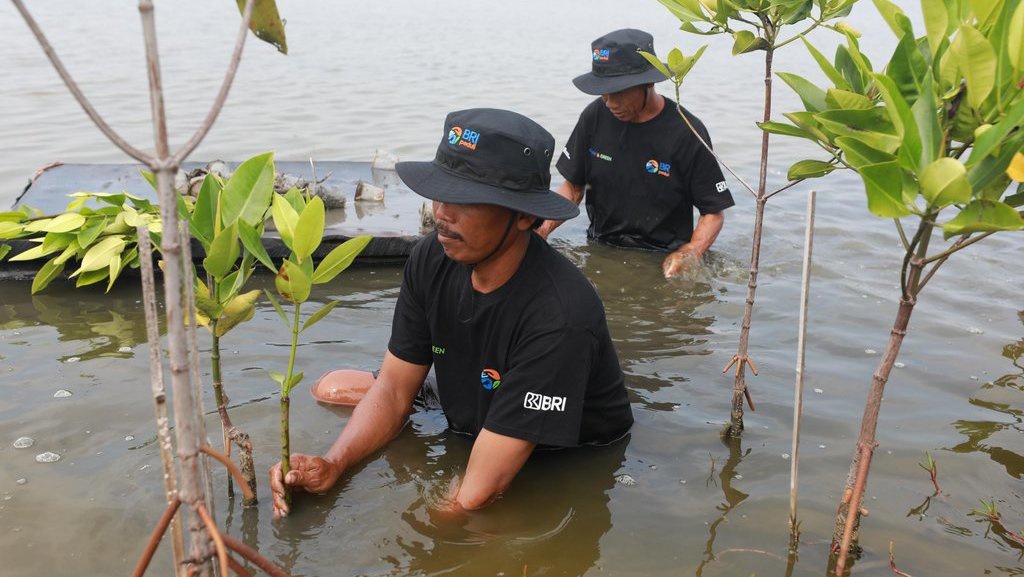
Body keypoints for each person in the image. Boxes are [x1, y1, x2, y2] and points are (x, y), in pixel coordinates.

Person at [270, 108, 634, 518]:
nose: (442, 213)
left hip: (551, 446)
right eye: (440, 192)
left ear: (524, 215)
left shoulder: (561, 314)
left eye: (465, 199)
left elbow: (475, 494)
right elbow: (392, 389)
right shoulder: (431, 257)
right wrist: (333, 465)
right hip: (473, 396)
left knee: (453, 513)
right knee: (329, 388)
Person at [537, 28, 735, 278]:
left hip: (661, 254)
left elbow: (713, 212)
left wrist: (691, 252)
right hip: (601, 247)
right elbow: (574, 188)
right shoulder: (595, 116)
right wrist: (542, 229)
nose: (610, 103)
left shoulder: (687, 131)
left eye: (618, 92)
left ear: (648, 82)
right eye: (604, 92)